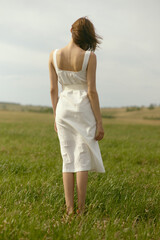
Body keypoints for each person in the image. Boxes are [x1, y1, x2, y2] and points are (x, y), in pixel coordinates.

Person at [48, 16, 105, 217]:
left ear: (71, 29)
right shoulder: (89, 57)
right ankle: (81, 210)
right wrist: (99, 121)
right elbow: (92, 91)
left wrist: (55, 115)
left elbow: (53, 89)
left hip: (63, 107)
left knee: (67, 157)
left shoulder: (54, 55)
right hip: (83, 108)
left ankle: (69, 210)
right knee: (82, 158)